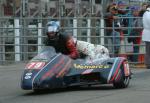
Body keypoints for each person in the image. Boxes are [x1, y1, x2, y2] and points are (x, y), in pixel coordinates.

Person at [142, 5, 150, 69]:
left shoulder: (146, 13)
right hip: (148, 33)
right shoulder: (148, 13)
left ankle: (148, 63)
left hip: (147, 33)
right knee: (148, 50)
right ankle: (148, 64)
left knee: (148, 50)